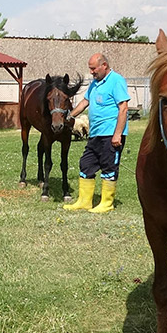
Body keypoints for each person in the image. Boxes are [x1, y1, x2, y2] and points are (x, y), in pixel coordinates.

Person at [62, 53, 130, 213]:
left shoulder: (116, 81)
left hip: (111, 134)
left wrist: (117, 134)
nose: (91, 72)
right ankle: (84, 201)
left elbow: (123, 108)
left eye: (93, 69)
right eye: (90, 69)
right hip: (95, 134)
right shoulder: (95, 83)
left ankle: (106, 203)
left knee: (108, 167)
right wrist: (69, 116)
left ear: (104, 65)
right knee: (86, 164)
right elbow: (85, 102)